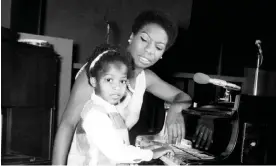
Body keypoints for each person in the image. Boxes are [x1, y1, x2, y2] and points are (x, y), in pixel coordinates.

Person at [52, 10, 211, 165]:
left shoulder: (146, 78)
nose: (149, 51)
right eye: (144, 39)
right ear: (131, 37)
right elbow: (68, 124)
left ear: (163, 53)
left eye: (158, 47)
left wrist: (175, 111)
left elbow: (183, 97)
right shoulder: (101, 71)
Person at [67, 44, 174, 165]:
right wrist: (151, 154)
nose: (117, 87)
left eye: (122, 81)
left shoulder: (109, 110)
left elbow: (119, 144)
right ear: (94, 81)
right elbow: (118, 153)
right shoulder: (95, 114)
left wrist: (146, 150)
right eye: (109, 80)